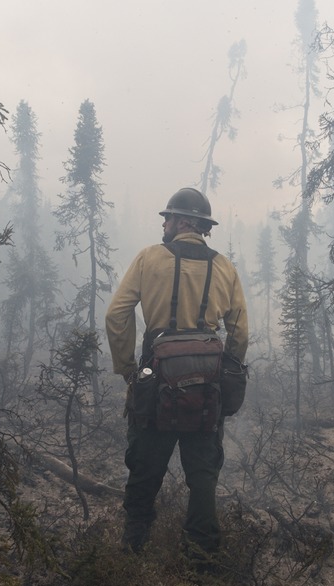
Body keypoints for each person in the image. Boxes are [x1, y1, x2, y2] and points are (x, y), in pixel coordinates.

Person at [105, 187, 248, 560]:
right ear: (200, 226)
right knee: (203, 475)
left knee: (145, 467)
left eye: (167, 218)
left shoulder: (148, 258)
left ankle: (133, 549)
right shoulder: (224, 266)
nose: (164, 225)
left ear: (182, 221)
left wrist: (128, 371)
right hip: (207, 387)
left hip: (155, 381)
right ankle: (201, 556)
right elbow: (240, 332)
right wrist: (224, 374)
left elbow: (116, 315)